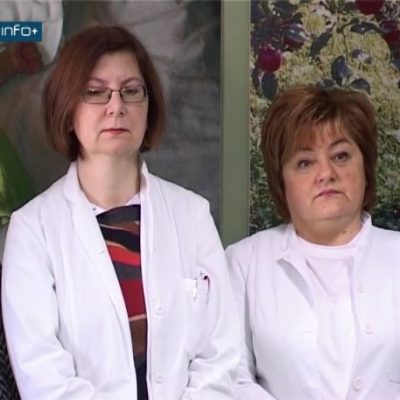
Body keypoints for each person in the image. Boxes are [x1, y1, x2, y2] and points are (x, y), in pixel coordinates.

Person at [1, 25, 239, 400]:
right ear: (67, 109)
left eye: (131, 90)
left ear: (149, 106)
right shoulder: (33, 230)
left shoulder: (192, 215)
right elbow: (44, 379)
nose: (116, 106)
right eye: (96, 92)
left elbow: (221, 357)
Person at [226, 86, 400, 399]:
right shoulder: (243, 263)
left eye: (341, 156)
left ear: (365, 168)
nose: (326, 173)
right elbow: (229, 376)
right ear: (281, 181)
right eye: (305, 162)